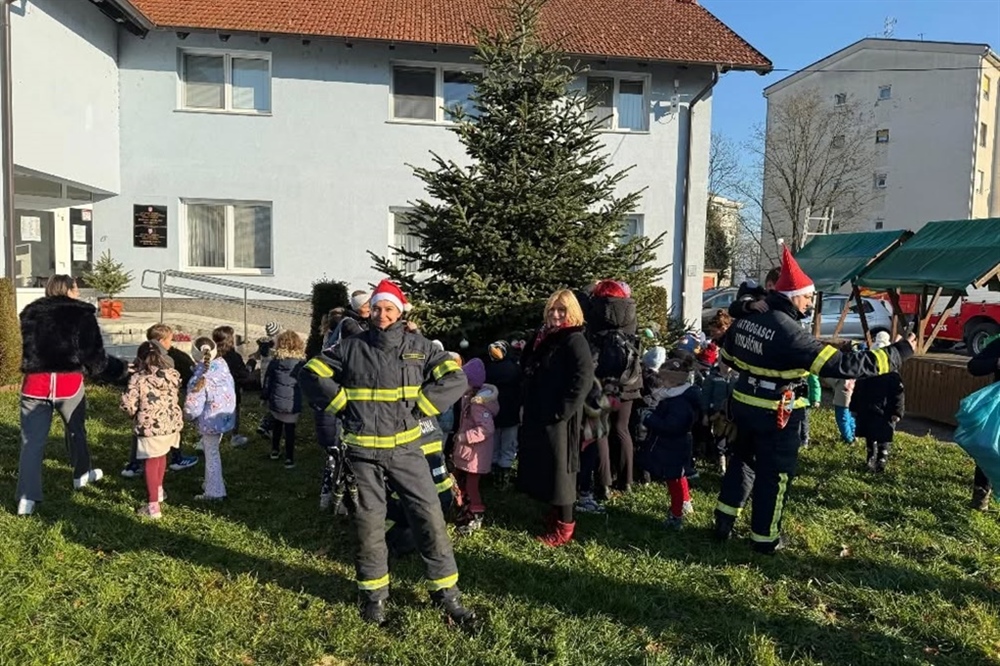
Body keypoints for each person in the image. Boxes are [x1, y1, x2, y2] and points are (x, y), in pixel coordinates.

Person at [715, 244, 916, 553]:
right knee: (775, 476)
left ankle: (723, 522)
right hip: (777, 415)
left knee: (742, 462)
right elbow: (842, 365)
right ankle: (765, 539)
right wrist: (899, 353)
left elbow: (728, 357)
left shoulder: (747, 320)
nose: (811, 302)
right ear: (793, 296)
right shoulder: (790, 332)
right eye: (808, 296)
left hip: (743, 404)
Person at [298, 279, 473, 626]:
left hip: (407, 452)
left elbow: (455, 377)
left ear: (400, 312)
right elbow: (311, 372)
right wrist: (341, 404)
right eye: (376, 308)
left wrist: (423, 407)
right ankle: (374, 598)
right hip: (363, 455)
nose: (381, 315)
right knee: (369, 526)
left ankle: (446, 594)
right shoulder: (351, 346)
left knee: (430, 519)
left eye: (389, 309)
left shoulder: (420, 347)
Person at [15, 275, 125, 516]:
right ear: (70, 290)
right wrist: (121, 370)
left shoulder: (30, 313)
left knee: (31, 443)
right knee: (76, 430)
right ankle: (81, 474)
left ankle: (26, 497)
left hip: (35, 385)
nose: (78, 292)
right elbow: (94, 358)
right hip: (68, 384)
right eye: (76, 289)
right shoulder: (82, 314)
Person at [518, 289, 594, 547]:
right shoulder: (544, 336)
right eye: (552, 309)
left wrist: (563, 411)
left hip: (560, 417)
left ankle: (565, 526)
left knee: (562, 471)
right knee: (548, 465)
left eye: (562, 309)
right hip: (540, 411)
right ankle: (555, 512)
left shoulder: (574, 339)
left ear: (572, 312)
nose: (556, 314)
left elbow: (583, 378)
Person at [122, 324, 198, 477]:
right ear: (161, 341)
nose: (171, 343)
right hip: (165, 405)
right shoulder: (170, 359)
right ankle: (177, 458)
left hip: (143, 408)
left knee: (140, 433)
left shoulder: (141, 355)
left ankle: (134, 464)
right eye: (170, 340)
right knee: (172, 430)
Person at [587, 279, 641, 494]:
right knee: (622, 429)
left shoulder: (595, 311)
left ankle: (604, 482)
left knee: (600, 429)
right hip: (628, 378)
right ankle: (626, 480)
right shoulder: (630, 311)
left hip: (602, 380)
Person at [120, 342, 183, 519]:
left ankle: (153, 506)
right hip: (170, 424)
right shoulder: (172, 375)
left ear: (140, 358)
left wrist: (132, 413)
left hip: (150, 426)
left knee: (150, 462)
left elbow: (128, 405)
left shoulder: (138, 378)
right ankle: (159, 489)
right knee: (161, 456)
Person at [638, 356, 702, 529]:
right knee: (678, 475)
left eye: (664, 379)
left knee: (674, 479)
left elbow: (671, 426)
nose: (661, 382)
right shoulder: (675, 395)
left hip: (674, 445)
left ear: (673, 381)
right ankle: (685, 501)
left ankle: (676, 515)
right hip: (673, 444)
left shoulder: (679, 402)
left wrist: (649, 419)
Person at [184, 337, 237, 501]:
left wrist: (186, 417)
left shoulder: (199, 378)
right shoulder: (222, 365)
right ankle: (212, 482)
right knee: (214, 451)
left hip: (209, 421)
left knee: (212, 455)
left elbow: (192, 407)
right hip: (225, 416)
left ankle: (214, 491)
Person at [451, 358, 499, 535]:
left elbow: (486, 429)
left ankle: (476, 514)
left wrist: (464, 437)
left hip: (475, 455)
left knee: (472, 486)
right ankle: (464, 508)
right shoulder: (469, 399)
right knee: (461, 481)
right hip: (468, 453)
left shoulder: (478, 405)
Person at [851, 331, 905, 473]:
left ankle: (876, 458)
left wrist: (854, 407)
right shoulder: (892, 374)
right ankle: (877, 458)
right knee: (879, 434)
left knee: (875, 434)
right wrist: (897, 411)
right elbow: (898, 394)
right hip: (881, 410)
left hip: (872, 409)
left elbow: (858, 389)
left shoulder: (868, 370)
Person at [263, 330, 306, 468]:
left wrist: (264, 396)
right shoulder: (301, 364)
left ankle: (275, 450)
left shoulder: (275, 362)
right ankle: (289, 458)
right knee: (290, 430)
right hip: (293, 401)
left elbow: (268, 381)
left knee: (277, 425)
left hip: (277, 400)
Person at [967, 332, 1000, 510]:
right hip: (997, 410)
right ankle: (981, 494)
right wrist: (997, 363)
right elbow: (974, 366)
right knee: (988, 447)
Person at [486, 340, 522, 488]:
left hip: (492, 413)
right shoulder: (515, 368)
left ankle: (494, 477)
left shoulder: (488, 369)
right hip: (511, 413)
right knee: (508, 446)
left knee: (494, 445)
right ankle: (504, 480)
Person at [213, 326, 251, 448]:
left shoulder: (212, 356)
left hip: (215, 392)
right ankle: (234, 436)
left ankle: (212, 437)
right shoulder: (234, 356)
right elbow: (243, 374)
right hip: (232, 392)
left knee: (213, 414)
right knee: (234, 413)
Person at [799, 373, 822, 448]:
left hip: (805, 402)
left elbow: (815, 385)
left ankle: (804, 439)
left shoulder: (810, 373)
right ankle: (797, 438)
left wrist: (815, 400)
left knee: (804, 421)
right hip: (795, 402)